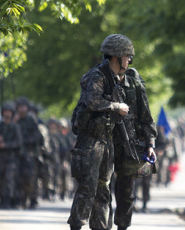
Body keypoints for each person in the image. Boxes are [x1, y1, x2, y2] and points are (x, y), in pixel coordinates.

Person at [67, 34, 132, 230]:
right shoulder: (96, 76)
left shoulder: (118, 81)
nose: (129, 60)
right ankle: (77, 224)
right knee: (87, 188)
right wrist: (115, 106)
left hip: (106, 141)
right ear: (115, 57)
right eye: (127, 56)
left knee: (104, 189)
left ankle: (101, 227)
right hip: (90, 142)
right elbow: (92, 102)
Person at [110, 44, 157, 229]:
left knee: (126, 192)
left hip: (128, 143)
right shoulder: (100, 79)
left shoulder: (134, 82)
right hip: (104, 142)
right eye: (126, 56)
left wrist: (150, 144)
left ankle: (122, 226)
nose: (129, 60)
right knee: (102, 189)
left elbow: (146, 117)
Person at [0, 103, 22, 209]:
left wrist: (6, 145)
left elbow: (18, 143)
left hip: (11, 159)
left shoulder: (15, 127)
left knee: (9, 180)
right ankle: (1, 199)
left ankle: (8, 200)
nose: (7, 114)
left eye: (9, 111)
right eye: (5, 111)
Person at [15, 97, 44, 209]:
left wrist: (25, 140)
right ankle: (19, 200)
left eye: (24, 107)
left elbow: (37, 137)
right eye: (20, 107)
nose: (22, 109)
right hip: (17, 153)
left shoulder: (31, 120)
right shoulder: (15, 120)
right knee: (18, 177)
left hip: (30, 153)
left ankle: (33, 200)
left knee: (31, 177)